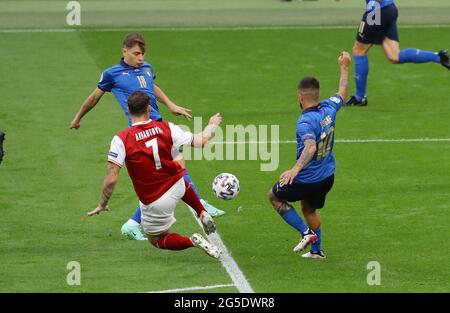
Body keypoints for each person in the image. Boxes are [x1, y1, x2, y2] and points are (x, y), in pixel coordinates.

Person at [70, 33, 225, 241]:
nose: (140, 57)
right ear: (124, 51)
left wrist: (171, 105)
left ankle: (134, 223)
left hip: (159, 125)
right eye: (136, 53)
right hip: (140, 131)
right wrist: (78, 117)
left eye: (143, 53)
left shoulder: (147, 67)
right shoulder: (112, 74)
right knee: (171, 170)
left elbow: (151, 85)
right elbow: (94, 97)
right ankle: (198, 202)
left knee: (165, 175)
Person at [87, 91, 222, 259]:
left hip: (155, 200)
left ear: (128, 110)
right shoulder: (167, 128)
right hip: (179, 185)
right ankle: (201, 212)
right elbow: (202, 141)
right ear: (149, 109)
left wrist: (103, 203)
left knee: (157, 239)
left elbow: (111, 179)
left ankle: (192, 241)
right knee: (179, 176)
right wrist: (212, 125)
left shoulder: (121, 139)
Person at [268, 51, 351, 260]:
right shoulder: (329, 107)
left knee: (275, 197)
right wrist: (344, 67)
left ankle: (306, 234)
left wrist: (294, 169)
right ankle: (317, 252)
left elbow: (310, 147)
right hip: (327, 176)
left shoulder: (305, 122)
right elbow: (342, 93)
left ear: (300, 96)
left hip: (308, 178)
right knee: (308, 207)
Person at [345, 0, 449, 106]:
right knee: (394, 56)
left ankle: (359, 98)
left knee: (359, 50)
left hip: (376, 12)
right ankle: (439, 57)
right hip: (389, 9)